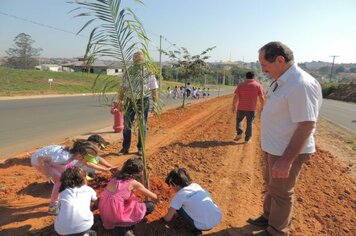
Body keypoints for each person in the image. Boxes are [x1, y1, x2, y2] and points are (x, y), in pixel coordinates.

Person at [248, 42, 322, 236]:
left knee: (281, 193)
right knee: (272, 186)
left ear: (280, 60)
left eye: (265, 65)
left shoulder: (300, 84)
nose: (263, 70)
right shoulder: (283, 81)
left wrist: (286, 160)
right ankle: (268, 217)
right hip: (274, 147)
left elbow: (306, 125)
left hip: (286, 151)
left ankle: (276, 231)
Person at [31, 141, 113, 214]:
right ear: (80, 155)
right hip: (39, 162)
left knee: (69, 172)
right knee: (60, 181)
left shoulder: (76, 153)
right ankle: (53, 206)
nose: (85, 161)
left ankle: (59, 198)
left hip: (51, 159)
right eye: (86, 158)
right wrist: (47, 174)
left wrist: (105, 169)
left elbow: (87, 164)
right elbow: (40, 159)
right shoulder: (64, 158)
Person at [99, 157, 159, 235]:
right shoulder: (133, 183)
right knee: (150, 206)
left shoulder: (116, 176)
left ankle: (120, 225)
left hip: (104, 212)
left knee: (129, 200)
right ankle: (125, 226)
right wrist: (159, 200)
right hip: (116, 215)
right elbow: (153, 196)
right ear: (138, 172)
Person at [117, 51, 158, 156]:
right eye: (135, 59)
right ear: (133, 60)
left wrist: (155, 104)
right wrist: (120, 100)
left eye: (139, 59)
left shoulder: (148, 72)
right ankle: (125, 148)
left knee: (142, 125)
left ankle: (140, 148)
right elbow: (123, 88)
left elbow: (154, 89)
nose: (137, 61)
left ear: (143, 60)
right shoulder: (128, 72)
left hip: (143, 100)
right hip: (129, 100)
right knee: (127, 124)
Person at [163, 167, 222, 236]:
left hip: (204, 226)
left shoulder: (179, 196)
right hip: (217, 218)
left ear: (174, 184)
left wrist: (163, 219)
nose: (172, 188)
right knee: (204, 192)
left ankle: (196, 231)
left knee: (178, 208)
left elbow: (167, 219)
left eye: (171, 186)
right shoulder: (196, 185)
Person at [54, 167, 97, 236]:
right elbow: (96, 202)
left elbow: (58, 209)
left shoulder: (63, 192)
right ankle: (85, 234)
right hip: (83, 228)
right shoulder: (88, 189)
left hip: (61, 231)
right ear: (83, 180)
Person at [232, 71, 265, 143]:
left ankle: (239, 132)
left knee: (239, 120)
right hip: (251, 109)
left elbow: (236, 96)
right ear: (254, 77)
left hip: (241, 108)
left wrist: (234, 106)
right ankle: (247, 139)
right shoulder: (258, 85)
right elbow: (261, 97)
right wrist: (262, 106)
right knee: (250, 123)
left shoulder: (241, 85)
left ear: (246, 77)